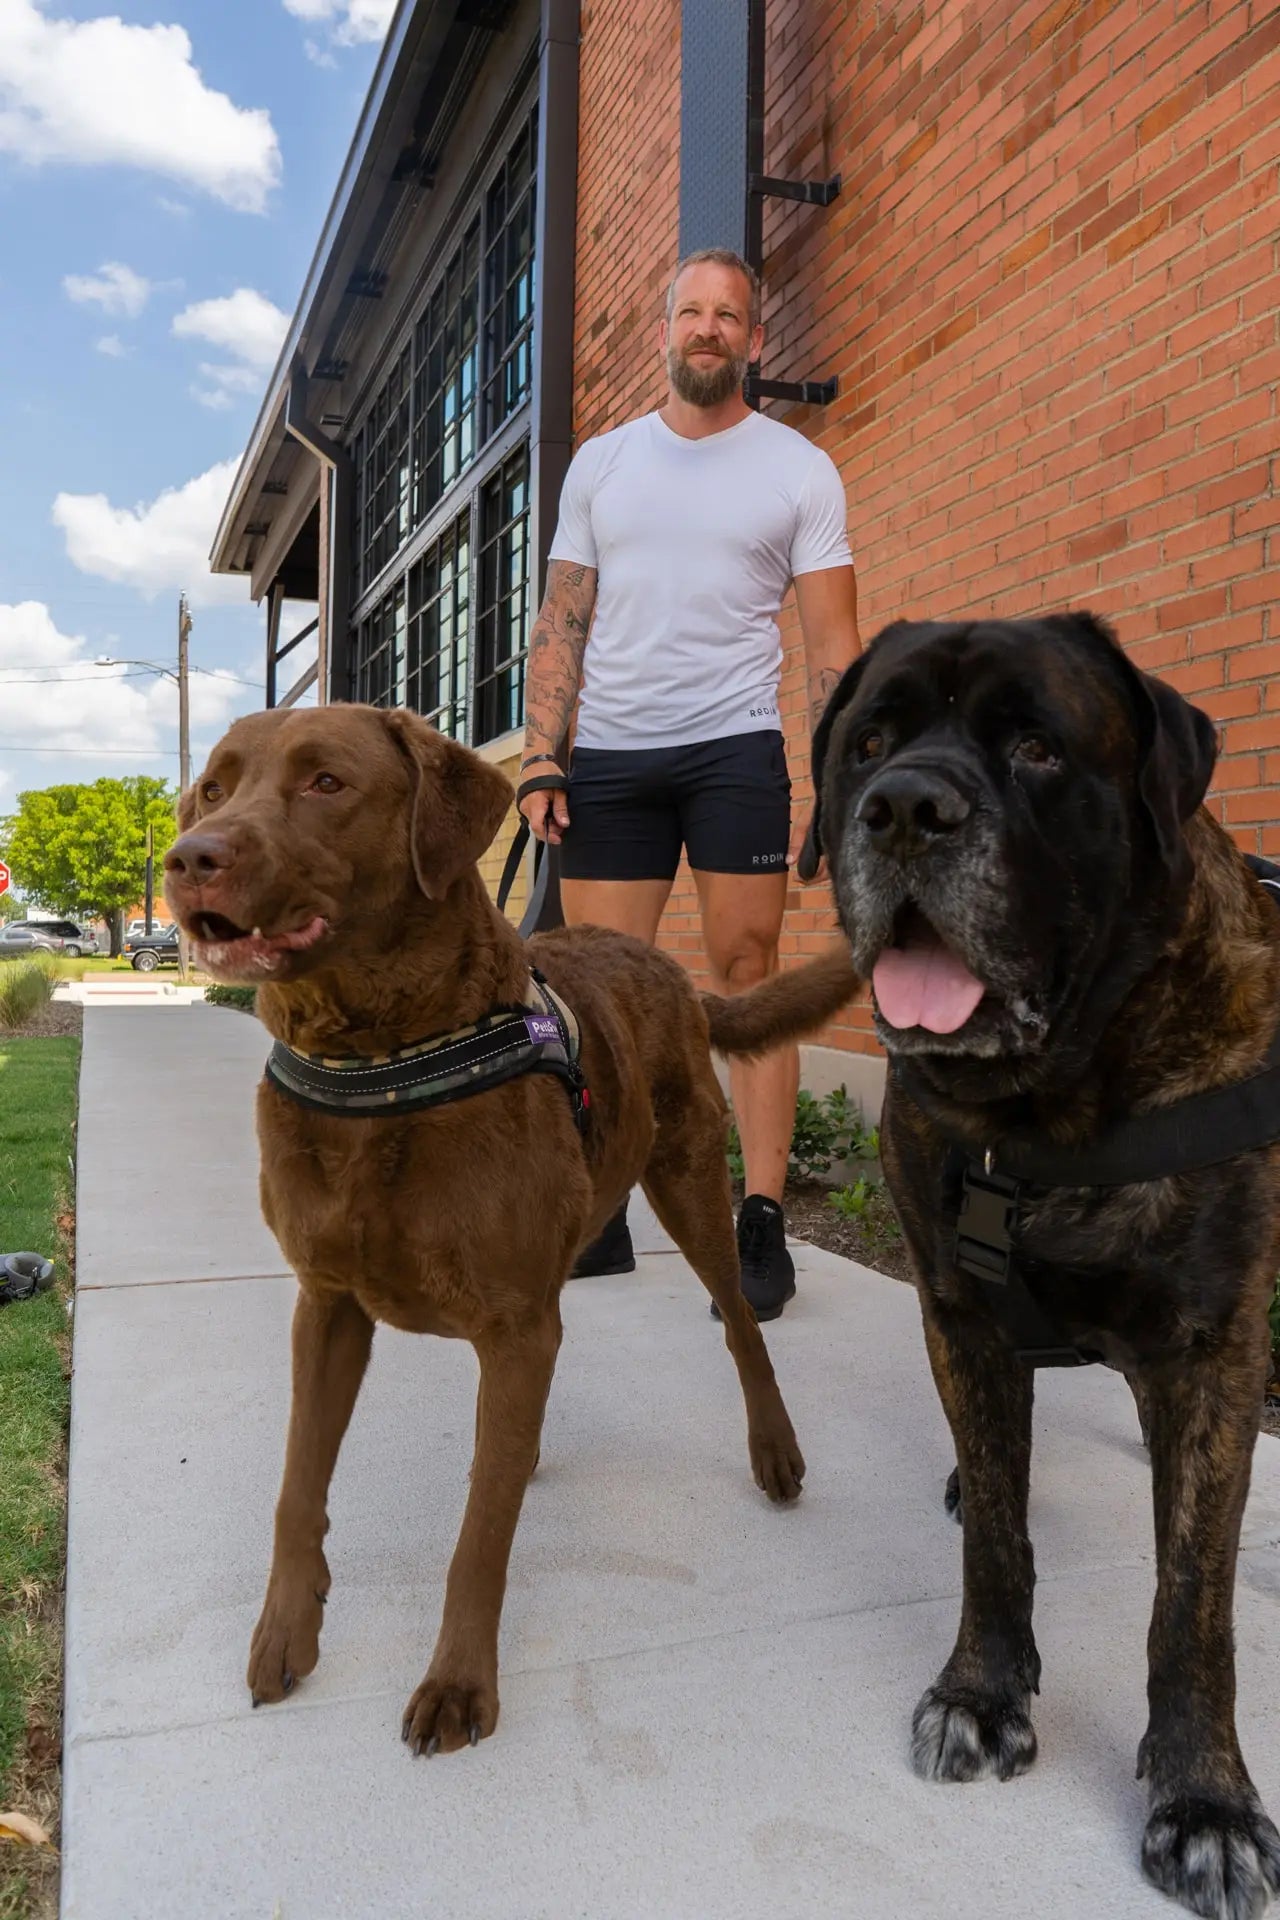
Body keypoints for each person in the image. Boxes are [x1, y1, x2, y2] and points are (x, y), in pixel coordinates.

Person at [518, 247, 861, 1319]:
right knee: (592, 985)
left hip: (732, 750)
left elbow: (832, 649)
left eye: (728, 316)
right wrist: (540, 753)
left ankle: (758, 1216)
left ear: (754, 341)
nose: (707, 329)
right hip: (609, 757)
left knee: (747, 977)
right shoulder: (604, 466)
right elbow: (560, 616)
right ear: (664, 330)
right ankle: (601, 1202)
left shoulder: (796, 470)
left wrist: (836, 783)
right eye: (690, 312)